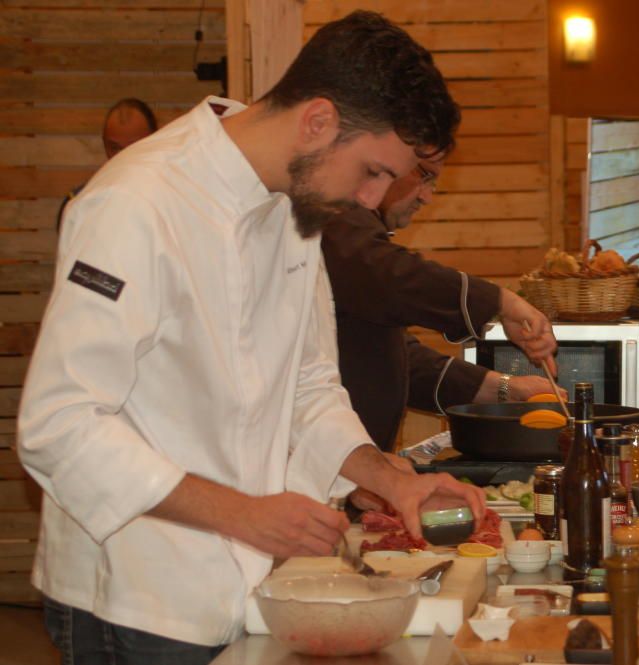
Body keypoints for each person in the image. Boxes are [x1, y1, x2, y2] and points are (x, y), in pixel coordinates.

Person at [18, 11, 484, 664]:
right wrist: (241, 512)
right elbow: (59, 424)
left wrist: (386, 476)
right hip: (137, 596)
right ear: (318, 120)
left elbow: (308, 382)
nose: (372, 199)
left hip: (251, 582)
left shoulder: (293, 208)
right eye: (373, 171)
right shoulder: (135, 204)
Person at [322, 154, 560, 451]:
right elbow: (389, 275)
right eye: (424, 176)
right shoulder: (333, 214)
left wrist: (504, 389)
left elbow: (393, 357)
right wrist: (500, 302)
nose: (427, 197)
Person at [57, 98, 159, 229]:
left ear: (154, 142)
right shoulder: (79, 204)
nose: (122, 157)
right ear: (104, 143)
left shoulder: (172, 201)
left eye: (133, 148)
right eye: (115, 148)